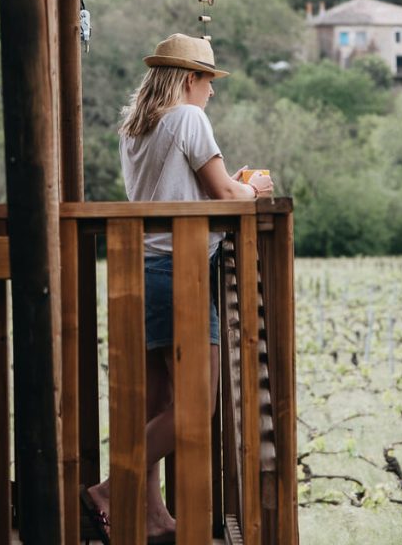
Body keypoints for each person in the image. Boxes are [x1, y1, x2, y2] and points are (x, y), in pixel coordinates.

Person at [80, 33, 273, 545]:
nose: (212, 93)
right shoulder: (188, 118)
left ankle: (153, 518)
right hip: (179, 271)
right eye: (210, 82)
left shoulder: (136, 128)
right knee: (194, 403)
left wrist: (228, 185)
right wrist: (254, 188)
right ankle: (106, 492)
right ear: (192, 78)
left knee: (158, 403)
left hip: (143, 270)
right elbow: (225, 193)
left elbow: (180, 189)